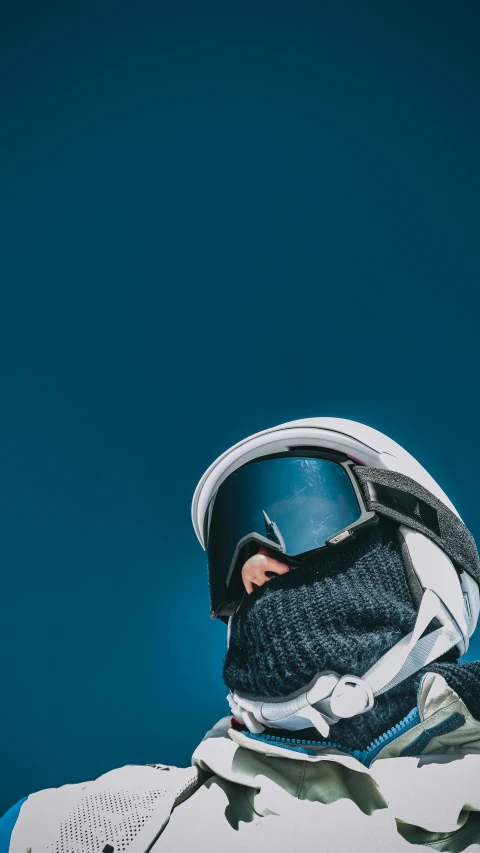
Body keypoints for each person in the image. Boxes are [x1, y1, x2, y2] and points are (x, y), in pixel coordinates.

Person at [2, 417, 480, 852]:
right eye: (231, 558)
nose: (253, 570)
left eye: (300, 521)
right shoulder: (74, 829)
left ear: (420, 550)